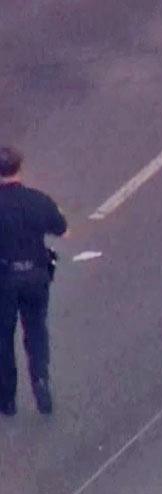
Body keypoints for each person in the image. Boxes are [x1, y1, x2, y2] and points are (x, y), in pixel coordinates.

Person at [0, 146, 67, 416]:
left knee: (3, 337)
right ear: (19, 168)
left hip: (4, 278)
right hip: (37, 275)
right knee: (36, 330)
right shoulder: (37, 200)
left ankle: (7, 399)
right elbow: (63, 230)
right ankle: (40, 378)